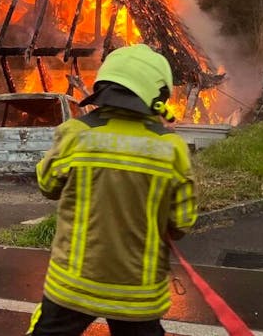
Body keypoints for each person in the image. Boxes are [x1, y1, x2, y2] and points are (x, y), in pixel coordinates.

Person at [28, 44, 198, 336]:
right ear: (158, 97)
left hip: (73, 285)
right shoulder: (171, 148)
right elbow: (182, 222)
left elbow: (47, 185)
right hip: (138, 294)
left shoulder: (76, 134)